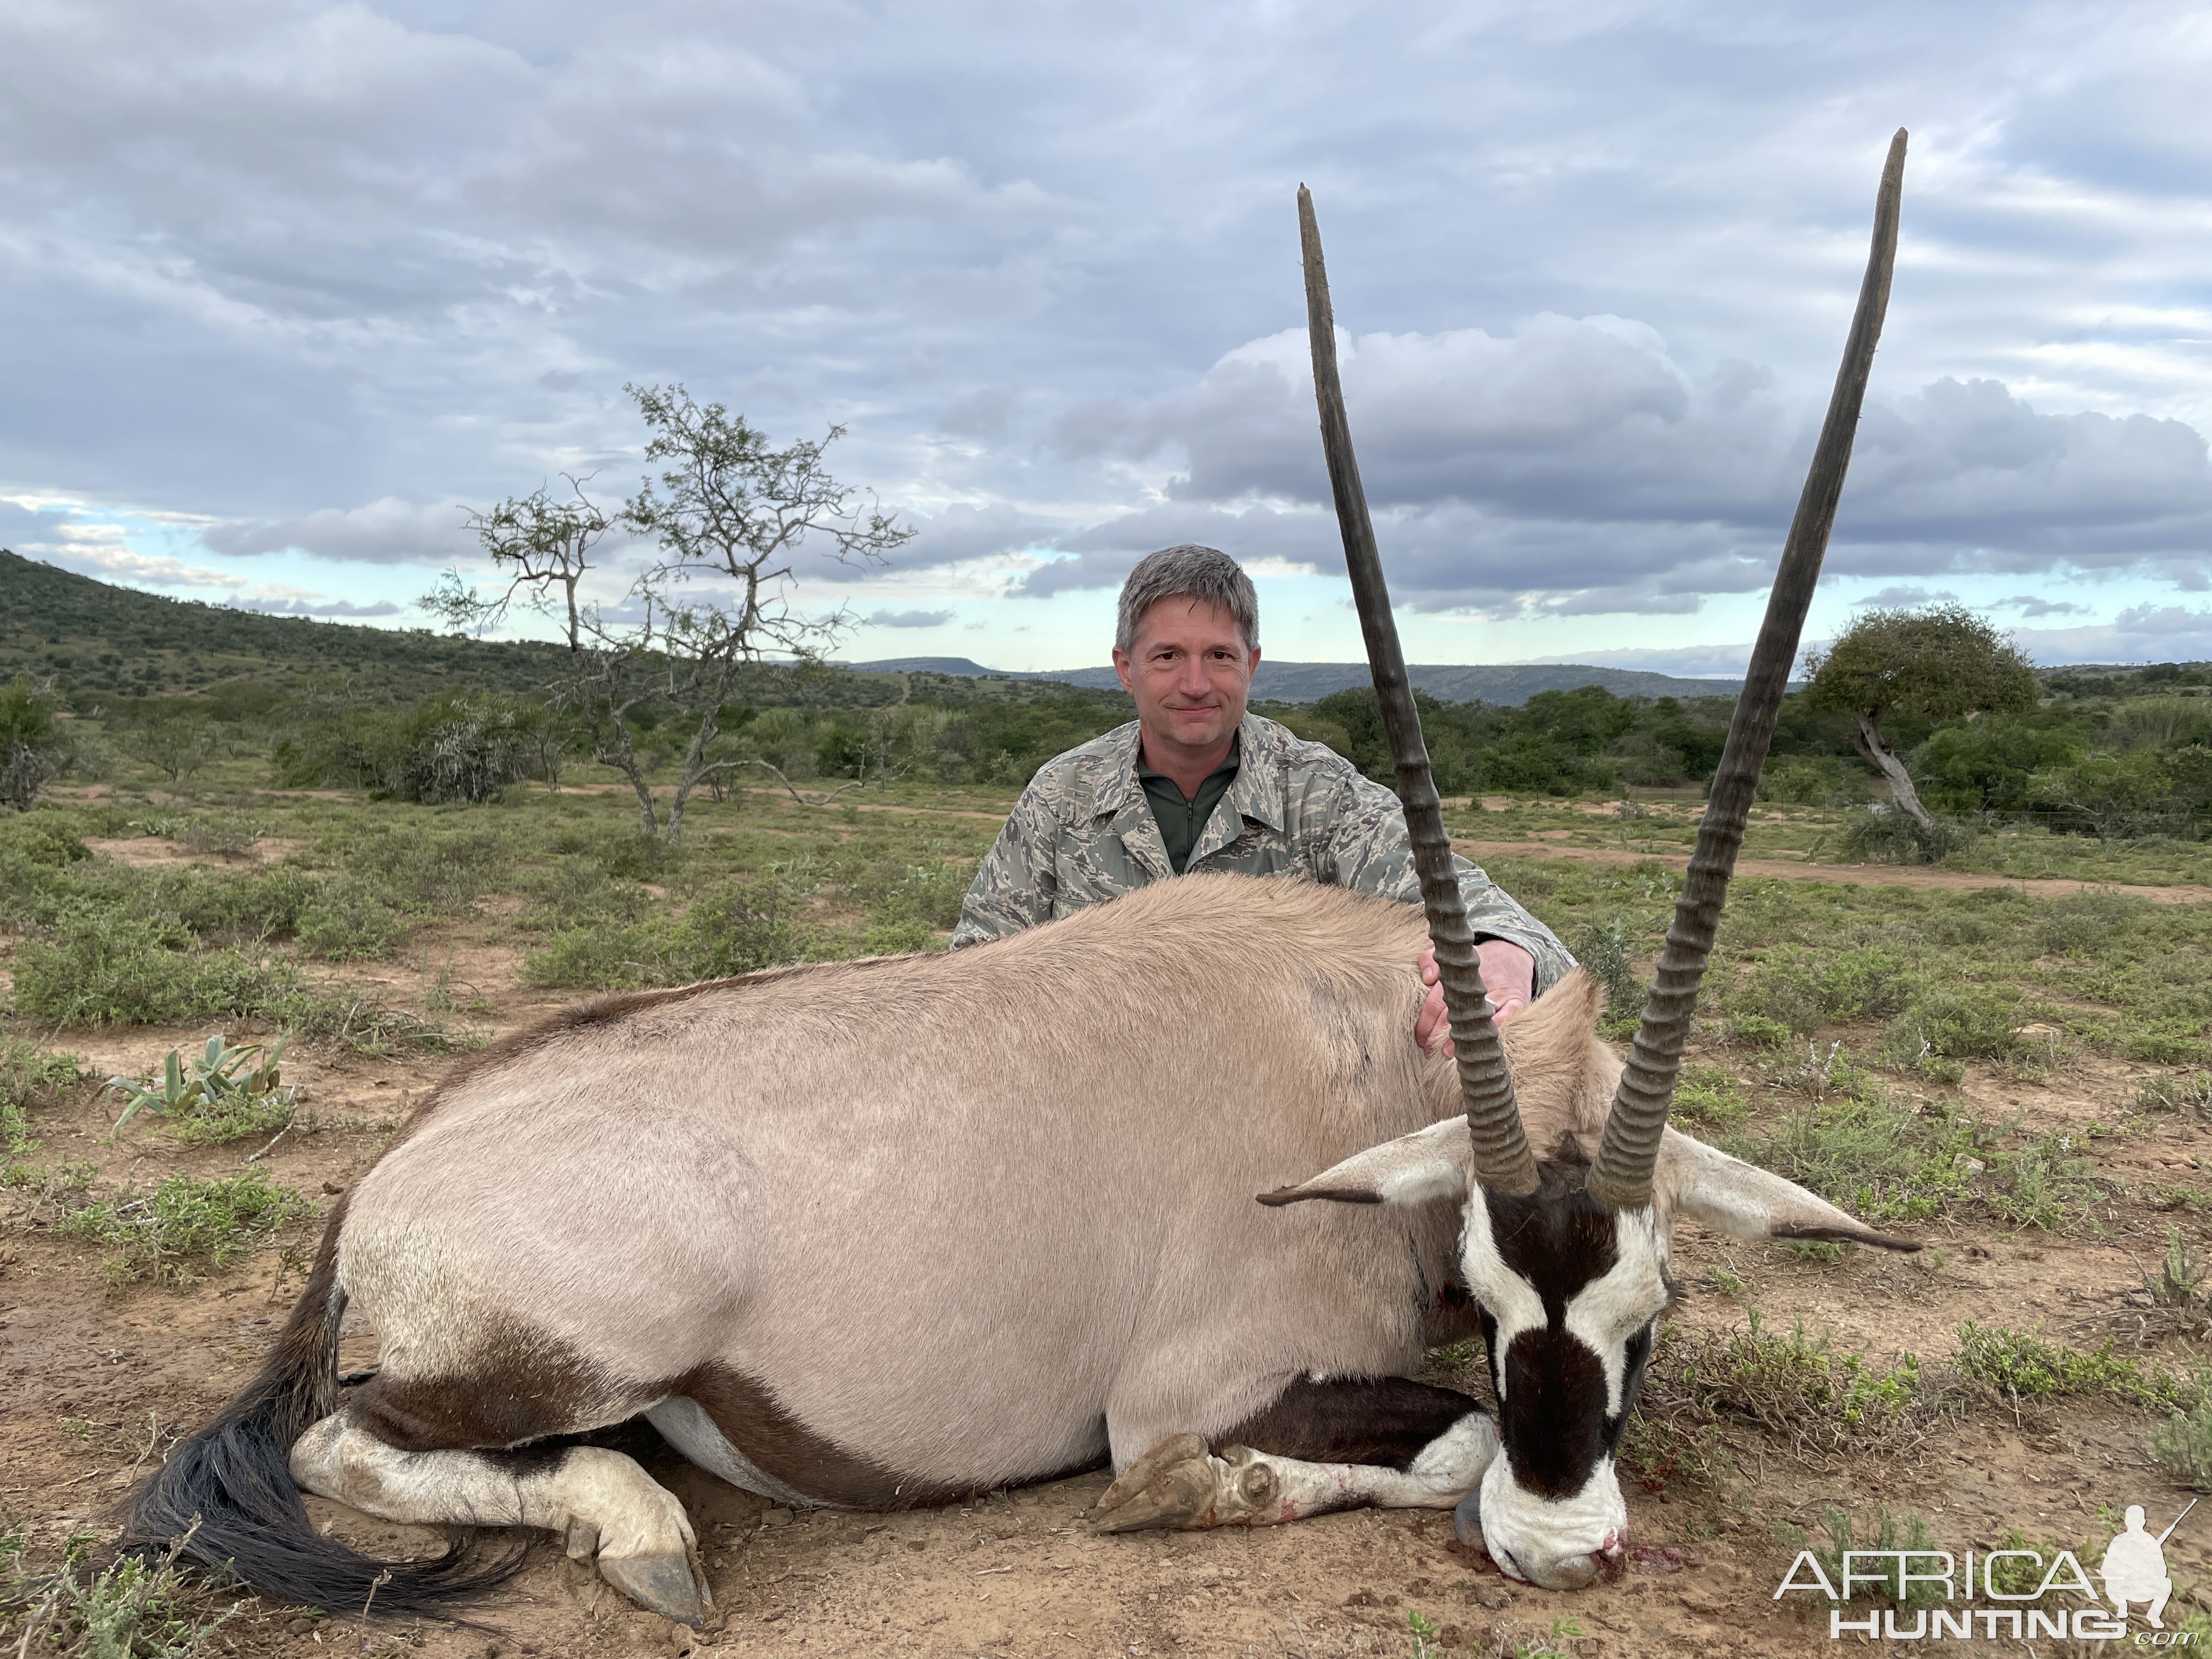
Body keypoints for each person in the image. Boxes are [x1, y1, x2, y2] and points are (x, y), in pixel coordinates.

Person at [952, 545, 1572, 1045]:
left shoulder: (1320, 792)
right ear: (1125, 667)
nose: (1195, 684)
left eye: (1219, 656)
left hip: (1275, 1119)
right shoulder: (1063, 792)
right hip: (1088, 1105)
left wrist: (1505, 952)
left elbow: (1469, 901)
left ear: (1251, 664)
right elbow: (976, 969)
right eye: (1167, 655)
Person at [2100, 1504, 2175, 1628]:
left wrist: (2147, 1570)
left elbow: (2162, 1570)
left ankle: (2154, 1615)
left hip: (2142, 1588)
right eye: (2132, 1521)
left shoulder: (2151, 1542)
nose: (2135, 1524)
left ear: (2143, 1522)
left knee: (2166, 1583)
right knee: (2111, 1583)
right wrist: (2124, 1572)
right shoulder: (2119, 1541)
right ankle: (2122, 1606)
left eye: (2138, 1521)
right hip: (2121, 1588)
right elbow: (2106, 1569)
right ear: (2127, 1522)